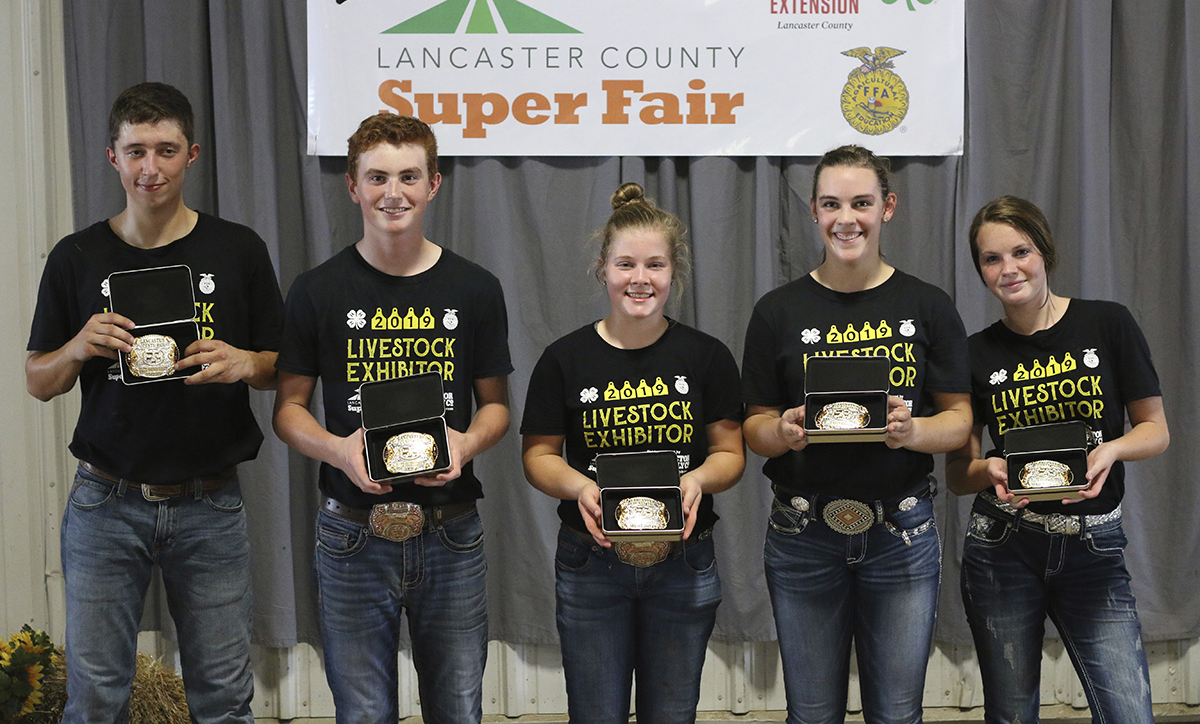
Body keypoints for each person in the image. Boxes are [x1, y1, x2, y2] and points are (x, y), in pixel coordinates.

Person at [24, 82, 283, 723]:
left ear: (191, 155)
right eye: (136, 151)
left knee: (224, 697)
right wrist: (77, 346)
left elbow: (284, 367)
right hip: (105, 502)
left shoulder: (238, 249)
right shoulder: (76, 255)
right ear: (112, 157)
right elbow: (38, 380)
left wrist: (246, 362)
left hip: (210, 503)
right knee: (95, 698)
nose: (151, 168)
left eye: (166, 150)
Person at [272, 113, 511, 724]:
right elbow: (289, 411)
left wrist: (465, 444)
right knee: (362, 714)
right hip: (351, 533)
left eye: (409, 176)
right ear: (353, 186)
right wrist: (339, 451)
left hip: (451, 531)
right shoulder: (316, 290)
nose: (393, 192)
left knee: (457, 711)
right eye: (377, 177)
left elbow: (496, 408)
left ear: (434, 184)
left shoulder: (475, 288)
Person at [741, 145, 972, 724]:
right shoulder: (777, 311)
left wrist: (912, 430)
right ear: (814, 211)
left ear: (887, 207)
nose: (846, 219)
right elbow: (754, 429)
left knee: (896, 714)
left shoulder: (928, 305)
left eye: (861, 203)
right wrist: (782, 430)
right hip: (802, 533)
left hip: (901, 533)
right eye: (831, 204)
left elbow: (959, 421)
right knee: (812, 714)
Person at [521, 183, 745, 724]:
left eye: (654, 265)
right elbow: (538, 456)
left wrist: (697, 481)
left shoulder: (706, 356)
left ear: (673, 272)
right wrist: (580, 486)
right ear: (603, 269)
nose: (640, 279)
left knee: (672, 713)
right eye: (625, 264)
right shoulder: (564, 359)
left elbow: (730, 453)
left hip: (683, 561)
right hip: (592, 562)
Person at [945, 196, 1169, 724]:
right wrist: (990, 470)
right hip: (1003, 546)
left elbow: (1156, 431)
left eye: (1020, 251)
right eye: (992, 259)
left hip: (1094, 546)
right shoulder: (974, 354)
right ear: (981, 270)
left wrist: (1112, 449)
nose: (1009, 268)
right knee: (1011, 714)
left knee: (1128, 713)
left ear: (1044, 251)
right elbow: (957, 474)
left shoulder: (1107, 323)